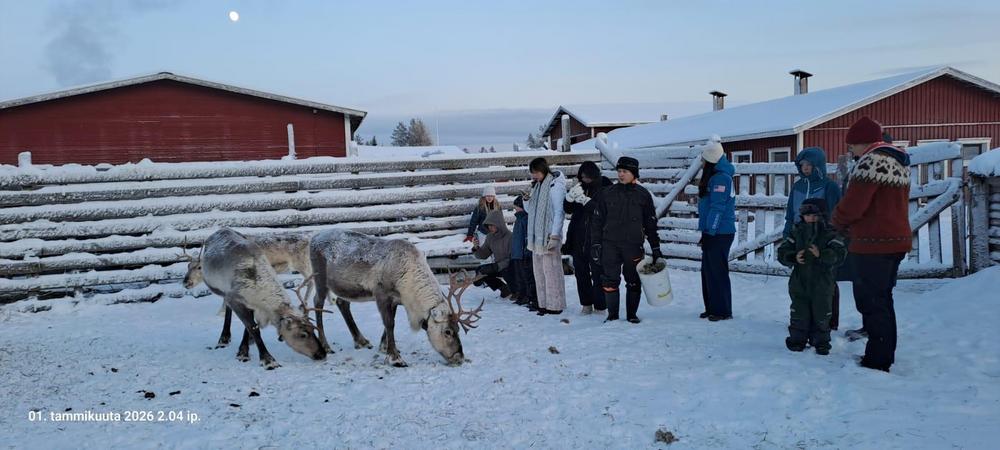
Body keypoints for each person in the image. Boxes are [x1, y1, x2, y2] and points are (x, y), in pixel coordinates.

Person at [832, 116, 911, 373]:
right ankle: (884, 353)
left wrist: (836, 222)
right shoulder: (897, 161)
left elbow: (854, 205)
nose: (851, 151)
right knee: (883, 300)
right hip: (895, 241)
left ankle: (878, 360)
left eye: (852, 145)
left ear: (862, 141)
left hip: (875, 243)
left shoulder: (870, 162)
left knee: (873, 302)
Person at [590, 156, 661, 323]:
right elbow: (597, 222)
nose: (621, 174)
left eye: (625, 171)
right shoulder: (607, 193)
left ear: (634, 173)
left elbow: (650, 224)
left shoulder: (643, 195)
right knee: (609, 280)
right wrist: (596, 244)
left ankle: (632, 315)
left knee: (633, 281)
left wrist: (655, 247)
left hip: (633, 246)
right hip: (610, 245)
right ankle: (612, 316)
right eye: (619, 171)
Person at [782, 147, 844, 330]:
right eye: (802, 165)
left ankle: (827, 321)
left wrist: (833, 238)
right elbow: (790, 213)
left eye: (809, 164)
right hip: (800, 236)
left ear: (818, 165)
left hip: (822, 238)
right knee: (801, 280)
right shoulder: (797, 187)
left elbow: (836, 214)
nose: (805, 168)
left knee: (826, 281)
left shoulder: (829, 187)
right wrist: (788, 233)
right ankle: (803, 318)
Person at [777, 198, 847, 355]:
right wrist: (793, 256)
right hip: (799, 282)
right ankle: (797, 340)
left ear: (822, 215)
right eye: (807, 215)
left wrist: (821, 254)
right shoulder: (797, 231)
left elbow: (839, 254)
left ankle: (821, 342)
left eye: (814, 215)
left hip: (822, 282)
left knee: (821, 313)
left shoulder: (830, 233)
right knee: (799, 312)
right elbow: (782, 251)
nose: (810, 219)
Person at [563, 161, 612, 315]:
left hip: (597, 238)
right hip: (578, 237)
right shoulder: (580, 187)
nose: (585, 179)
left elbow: (602, 211)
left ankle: (600, 306)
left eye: (587, 177)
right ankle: (586, 304)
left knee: (598, 274)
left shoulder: (605, 186)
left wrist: (585, 200)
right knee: (581, 273)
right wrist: (569, 198)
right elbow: (568, 210)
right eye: (582, 177)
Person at [697, 141, 736, 322]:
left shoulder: (722, 178)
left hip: (720, 232)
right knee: (708, 271)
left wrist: (710, 232)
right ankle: (712, 307)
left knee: (717, 271)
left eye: (704, 159)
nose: (702, 162)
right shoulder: (715, 176)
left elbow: (717, 208)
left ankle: (722, 310)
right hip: (712, 231)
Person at [526, 157, 567, 315]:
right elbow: (531, 211)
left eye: (536, 172)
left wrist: (555, 235)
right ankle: (543, 303)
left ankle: (555, 305)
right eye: (532, 173)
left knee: (552, 272)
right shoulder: (536, 187)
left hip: (549, 235)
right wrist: (526, 200)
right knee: (540, 272)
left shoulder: (555, 186)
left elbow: (558, 213)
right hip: (537, 237)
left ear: (543, 170)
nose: (534, 175)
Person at [472, 210, 514, 298]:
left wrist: (497, 266)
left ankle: (515, 290)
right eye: (488, 225)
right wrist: (476, 248)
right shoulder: (490, 237)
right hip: (498, 266)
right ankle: (504, 289)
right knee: (481, 270)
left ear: (499, 224)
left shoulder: (510, 236)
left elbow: (512, 258)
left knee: (506, 271)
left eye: (492, 225)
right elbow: (483, 255)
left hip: (511, 267)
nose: (490, 227)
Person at [510, 195, 538, 309]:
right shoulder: (519, 218)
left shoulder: (525, 218)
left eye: (516, 206)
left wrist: (525, 250)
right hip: (517, 253)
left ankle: (528, 296)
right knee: (519, 277)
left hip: (522, 253)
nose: (515, 208)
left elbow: (526, 236)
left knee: (526, 277)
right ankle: (521, 296)